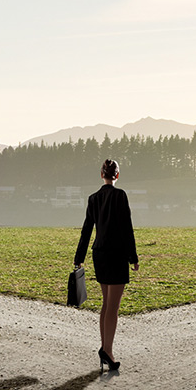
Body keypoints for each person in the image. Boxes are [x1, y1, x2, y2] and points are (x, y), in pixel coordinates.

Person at [74, 159, 138, 372]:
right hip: (117, 254)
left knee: (106, 304)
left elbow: (86, 230)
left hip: (98, 254)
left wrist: (78, 257)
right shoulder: (120, 196)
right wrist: (133, 257)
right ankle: (107, 352)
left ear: (101, 175)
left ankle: (105, 348)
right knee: (113, 307)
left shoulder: (93, 199)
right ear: (117, 176)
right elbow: (127, 229)